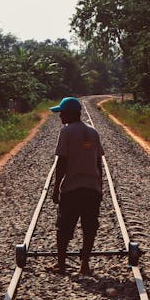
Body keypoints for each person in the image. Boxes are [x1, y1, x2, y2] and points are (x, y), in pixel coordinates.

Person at [50, 97, 103, 276]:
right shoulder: (93, 132)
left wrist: (56, 187)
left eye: (62, 113)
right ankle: (84, 265)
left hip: (72, 188)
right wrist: (100, 187)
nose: (60, 116)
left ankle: (62, 264)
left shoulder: (66, 132)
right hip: (92, 188)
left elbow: (62, 162)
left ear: (71, 113)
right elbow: (98, 164)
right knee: (89, 227)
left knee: (64, 227)